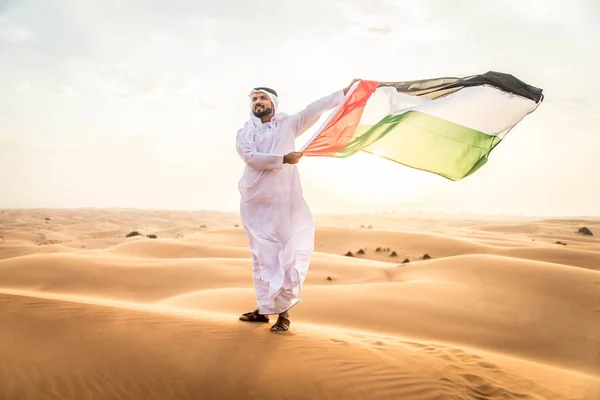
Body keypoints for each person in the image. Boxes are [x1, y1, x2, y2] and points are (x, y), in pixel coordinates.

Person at [236, 79, 358, 332]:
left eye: (263, 98)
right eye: (254, 99)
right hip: (255, 200)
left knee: (286, 255)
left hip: (284, 200)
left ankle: (283, 315)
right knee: (262, 256)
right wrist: (283, 158)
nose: (258, 102)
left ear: (273, 103)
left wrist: (344, 92)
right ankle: (263, 309)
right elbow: (250, 158)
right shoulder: (244, 132)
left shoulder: (289, 124)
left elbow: (314, 110)